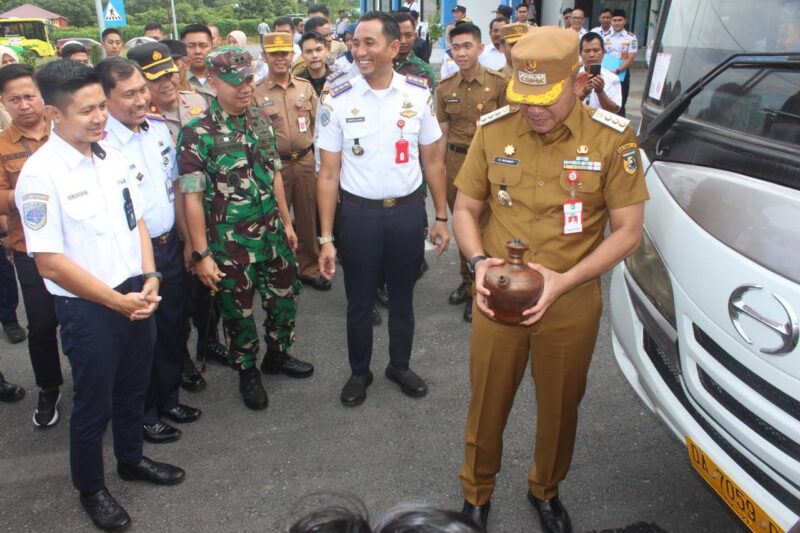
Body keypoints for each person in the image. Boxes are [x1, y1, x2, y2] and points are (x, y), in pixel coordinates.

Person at [452, 27, 647, 531]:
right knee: (487, 401)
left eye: (545, 98)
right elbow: (466, 209)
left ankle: (545, 489)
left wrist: (564, 281)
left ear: (578, 80)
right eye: (524, 96)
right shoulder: (494, 130)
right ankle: (476, 494)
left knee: (561, 407)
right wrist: (477, 264)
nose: (533, 109)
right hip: (499, 298)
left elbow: (627, 232)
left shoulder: (612, 137)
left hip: (571, 301)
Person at [16, 58, 185, 533]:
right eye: (85, 110)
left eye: (99, 107)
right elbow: (49, 262)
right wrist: (118, 302)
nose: (98, 118)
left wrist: (151, 277)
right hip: (90, 307)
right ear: (53, 114)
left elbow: (139, 222)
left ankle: (132, 460)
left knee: (134, 388)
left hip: (136, 293)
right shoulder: (41, 175)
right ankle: (91, 487)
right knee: (95, 403)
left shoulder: (108, 155)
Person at [316, 12, 450, 407]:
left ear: (394, 47)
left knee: (403, 298)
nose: (359, 50)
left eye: (369, 43)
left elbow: (434, 162)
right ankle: (360, 372)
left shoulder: (417, 93)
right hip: (359, 217)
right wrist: (326, 237)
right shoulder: (337, 99)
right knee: (358, 300)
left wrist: (440, 216)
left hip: (408, 214)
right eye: (355, 42)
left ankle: (400, 365)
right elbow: (326, 175)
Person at [178, 46, 312, 411]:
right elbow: (191, 197)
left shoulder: (259, 120)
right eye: (235, 82)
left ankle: (277, 355)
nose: (245, 88)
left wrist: (287, 222)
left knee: (284, 299)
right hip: (229, 244)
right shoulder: (196, 133)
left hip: (272, 234)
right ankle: (247, 370)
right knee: (239, 312)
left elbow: (274, 174)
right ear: (213, 82)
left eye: (249, 79)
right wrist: (201, 253)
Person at [98, 53, 202, 445]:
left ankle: (169, 399)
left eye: (142, 89)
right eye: (128, 94)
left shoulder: (157, 129)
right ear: (106, 98)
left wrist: (189, 241)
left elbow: (174, 188)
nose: (141, 99)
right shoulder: (102, 145)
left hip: (168, 246)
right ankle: (143, 414)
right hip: (130, 259)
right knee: (142, 338)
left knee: (174, 326)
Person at [135, 40, 210, 393]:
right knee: (173, 304)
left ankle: (208, 342)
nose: (166, 83)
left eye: (169, 73)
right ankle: (179, 358)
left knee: (206, 292)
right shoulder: (140, 120)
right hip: (164, 222)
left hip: (201, 211)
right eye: (155, 78)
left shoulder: (196, 102)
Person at [0, 63, 64, 427]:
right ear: (3, 103)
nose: (24, 105)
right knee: (42, 324)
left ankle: (90, 381)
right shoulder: (2, 145)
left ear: (42, 96)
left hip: (77, 246)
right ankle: (49, 387)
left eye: (30, 96)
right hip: (31, 249)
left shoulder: (65, 131)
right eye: (15, 99)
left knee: (84, 320)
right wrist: (30, 192)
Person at [436, 22, 507, 324]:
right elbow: (442, 133)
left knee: (485, 227)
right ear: (450, 50)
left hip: (488, 164)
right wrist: (437, 170)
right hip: (455, 162)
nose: (462, 52)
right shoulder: (445, 87)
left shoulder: (499, 83)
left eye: (467, 46)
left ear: (480, 48)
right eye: (456, 47)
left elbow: (509, 129)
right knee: (463, 223)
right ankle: (467, 284)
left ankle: (483, 289)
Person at [254, 33, 328, 291]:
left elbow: (319, 127)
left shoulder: (305, 88)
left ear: (292, 55)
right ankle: (279, 270)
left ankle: (309, 267)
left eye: (284, 53)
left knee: (308, 218)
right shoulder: (255, 92)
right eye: (274, 53)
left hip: (305, 162)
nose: (280, 58)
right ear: (264, 56)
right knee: (273, 220)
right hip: (274, 167)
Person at [605, 9, 638, 116]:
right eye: (615, 20)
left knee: (620, 103)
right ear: (611, 22)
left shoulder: (631, 38)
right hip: (607, 73)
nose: (617, 23)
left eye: (620, 20)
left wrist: (618, 70)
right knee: (605, 100)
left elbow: (631, 58)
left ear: (625, 21)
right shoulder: (605, 37)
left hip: (622, 74)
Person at [578, 32, 622, 113]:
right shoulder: (572, 77)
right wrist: (583, 93)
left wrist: (600, 92)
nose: (591, 55)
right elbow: (564, 107)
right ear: (580, 53)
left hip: (600, 125)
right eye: (587, 51)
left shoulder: (613, 78)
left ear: (603, 52)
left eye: (596, 50)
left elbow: (614, 110)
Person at [393, 12, 435, 90]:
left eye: (408, 35)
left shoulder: (424, 71)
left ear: (415, 36)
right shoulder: (380, 66)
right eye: (398, 35)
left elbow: (426, 100)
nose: (403, 41)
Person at [181, 24, 216, 105]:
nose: (197, 51)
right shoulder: (176, 80)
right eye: (190, 46)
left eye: (203, 46)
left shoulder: (224, 77)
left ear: (212, 47)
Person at [296, 32, 332, 96]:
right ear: (302, 55)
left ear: (326, 50)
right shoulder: (296, 82)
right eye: (308, 51)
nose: (314, 55)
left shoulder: (338, 80)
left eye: (318, 50)